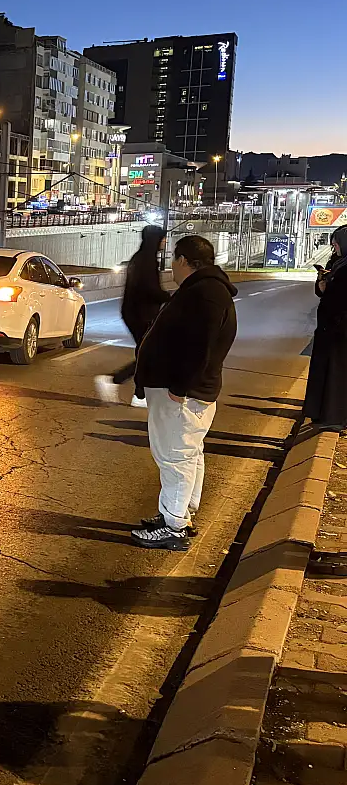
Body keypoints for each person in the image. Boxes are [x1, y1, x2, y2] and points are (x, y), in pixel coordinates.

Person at [130, 235, 237, 550]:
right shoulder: (204, 290)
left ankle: (174, 525)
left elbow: (197, 347)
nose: (171, 266)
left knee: (175, 457)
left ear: (184, 260)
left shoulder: (205, 294)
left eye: (174, 259)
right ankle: (179, 514)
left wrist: (180, 387)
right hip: (185, 391)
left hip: (182, 394)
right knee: (188, 455)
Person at [95, 225, 169, 407]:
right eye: (163, 238)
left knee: (146, 353)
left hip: (137, 313)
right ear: (155, 240)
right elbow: (148, 290)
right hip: (140, 314)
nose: (165, 242)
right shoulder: (146, 261)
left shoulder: (143, 258)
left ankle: (139, 394)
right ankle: (113, 380)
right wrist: (168, 297)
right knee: (150, 354)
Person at [301, 224, 347, 431]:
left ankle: (335, 416)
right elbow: (327, 293)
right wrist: (322, 284)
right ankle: (321, 413)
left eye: (336, 243)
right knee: (325, 373)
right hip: (329, 329)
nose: (334, 247)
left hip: (340, 330)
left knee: (337, 374)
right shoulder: (338, 262)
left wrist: (330, 287)